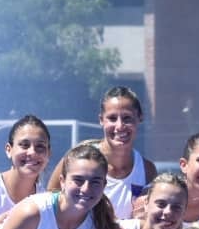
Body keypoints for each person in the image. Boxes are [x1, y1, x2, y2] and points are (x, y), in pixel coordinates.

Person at [48, 85, 157, 219]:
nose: (119, 126)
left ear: (139, 117)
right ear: (101, 120)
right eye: (112, 118)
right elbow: (50, 204)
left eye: (127, 118)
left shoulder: (147, 170)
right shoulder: (78, 158)